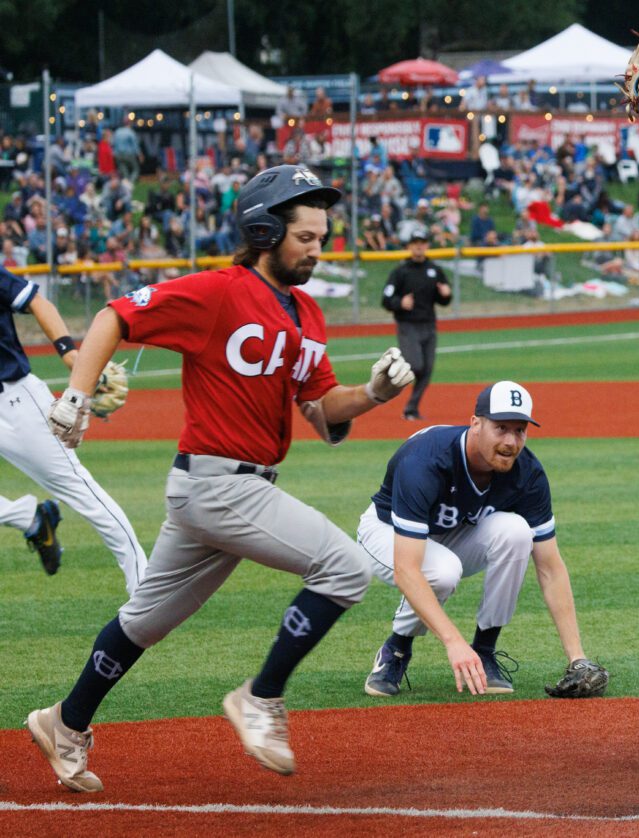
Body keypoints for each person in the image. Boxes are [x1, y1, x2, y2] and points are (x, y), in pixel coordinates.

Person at [27, 164, 415, 793]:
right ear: (264, 231)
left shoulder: (307, 313)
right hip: (221, 486)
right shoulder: (218, 292)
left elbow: (322, 412)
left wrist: (370, 392)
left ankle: (63, 723)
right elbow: (113, 318)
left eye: (322, 237)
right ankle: (260, 698)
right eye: (306, 237)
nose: (319, 248)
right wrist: (75, 395)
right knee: (346, 568)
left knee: (142, 624)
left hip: (215, 491)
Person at [357, 381, 603, 697]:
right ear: (476, 423)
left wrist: (577, 656)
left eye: (519, 430)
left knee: (517, 533)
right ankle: (397, 649)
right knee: (442, 572)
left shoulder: (527, 473)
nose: (511, 441)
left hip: (450, 533)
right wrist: (453, 642)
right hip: (386, 532)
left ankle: (485, 650)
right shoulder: (426, 459)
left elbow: (550, 568)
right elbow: (407, 568)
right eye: (500, 428)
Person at [0, 265, 146, 589]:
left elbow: (39, 302)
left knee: (80, 490)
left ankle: (142, 582)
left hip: (13, 401)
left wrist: (71, 356)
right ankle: (31, 520)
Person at [381, 232, 451, 421]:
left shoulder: (434, 270)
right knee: (416, 365)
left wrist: (446, 294)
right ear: (409, 246)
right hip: (408, 324)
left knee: (427, 370)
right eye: (415, 243)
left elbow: (444, 300)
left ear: (427, 245)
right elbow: (386, 299)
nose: (419, 246)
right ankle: (390, 371)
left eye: (422, 243)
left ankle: (411, 409)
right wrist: (399, 303)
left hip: (428, 324)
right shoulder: (400, 272)